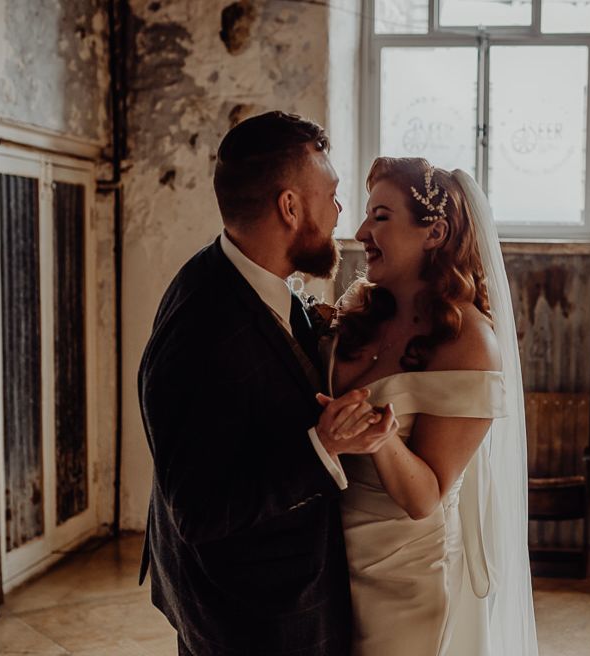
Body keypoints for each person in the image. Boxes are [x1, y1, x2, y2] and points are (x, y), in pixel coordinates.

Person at [137, 111, 398, 656]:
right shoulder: (203, 330)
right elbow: (199, 510)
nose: (338, 213)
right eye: (331, 195)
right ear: (289, 207)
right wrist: (322, 448)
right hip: (249, 615)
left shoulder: (233, 275)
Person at [325, 157, 538, 655]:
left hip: (401, 574)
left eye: (380, 217)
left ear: (434, 232)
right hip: (324, 556)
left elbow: (426, 498)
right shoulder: (360, 308)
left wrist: (381, 441)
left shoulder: (469, 342)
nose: (360, 232)